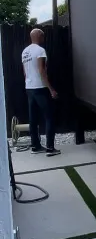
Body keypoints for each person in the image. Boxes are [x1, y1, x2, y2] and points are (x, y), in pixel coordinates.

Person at [21, 28, 60, 156]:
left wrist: (28, 84)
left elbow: (25, 73)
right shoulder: (40, 50)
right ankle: (50, 148)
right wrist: (51, 89)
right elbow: (42, 71)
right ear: (39, 36)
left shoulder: (25, 52)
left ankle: (35, 146)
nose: (43, 38)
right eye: (42, 36)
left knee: (33, 118)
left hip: (29, 88)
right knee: (49, 117)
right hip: (40, 88)